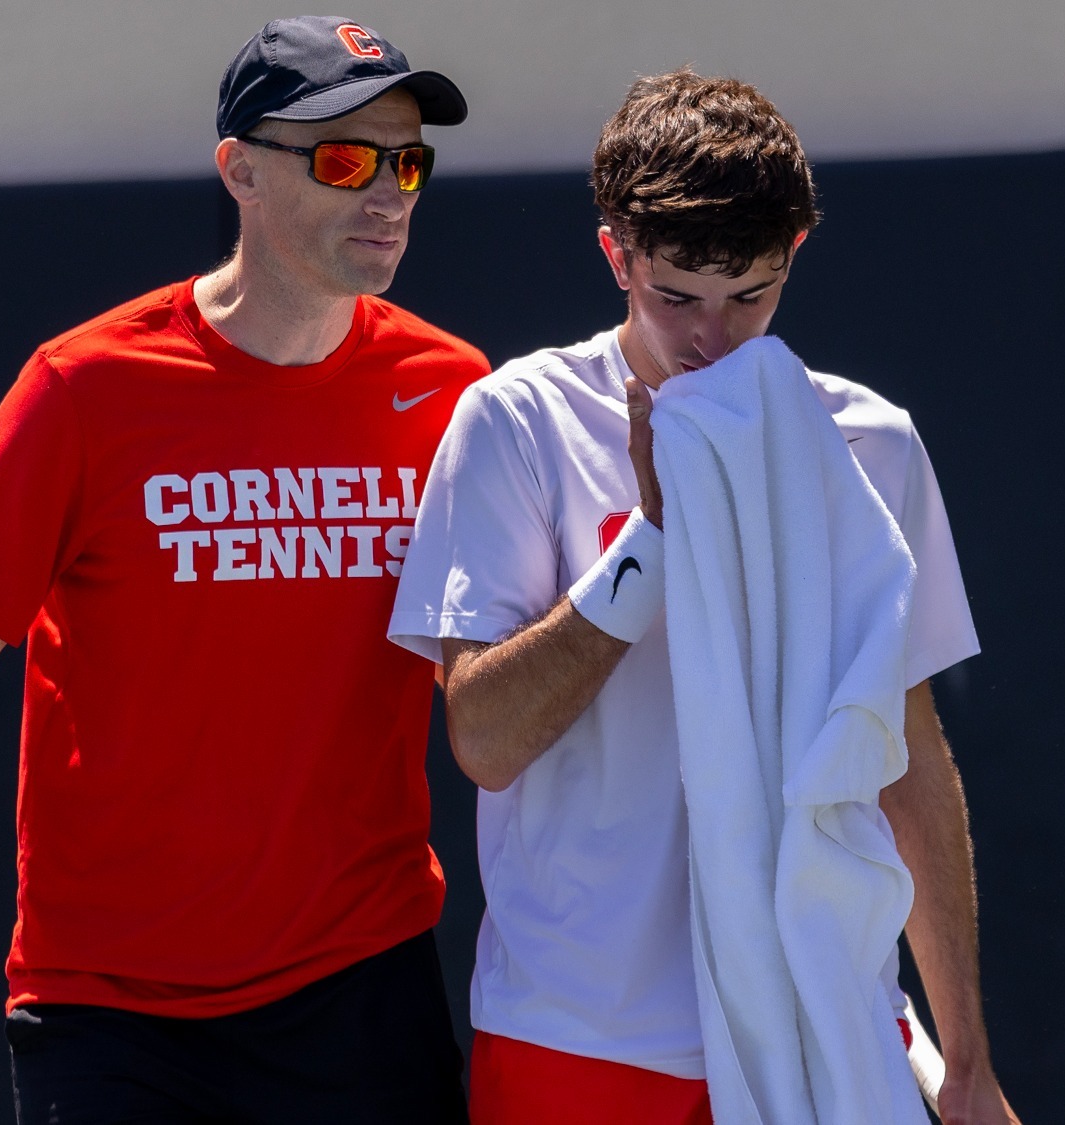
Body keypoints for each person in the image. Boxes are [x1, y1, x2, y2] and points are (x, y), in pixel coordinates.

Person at [0, 17, 488, 1123]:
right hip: (109, 1015)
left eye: (407, 160)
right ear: (240, 173)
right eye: (346, 158)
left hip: (360, 989)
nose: (388, 194)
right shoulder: (84, 387)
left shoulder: (453, 389)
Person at [390, 70, 1023, 1125]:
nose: (712, 341)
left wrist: (963, 1059)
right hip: (577, 1043)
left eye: (751, 297)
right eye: (676, 298)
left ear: (794, 259)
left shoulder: (871, 442)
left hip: (821, 1027)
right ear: (615, 256)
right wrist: (652, 537)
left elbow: (902, 748)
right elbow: (484, 740)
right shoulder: (514, 422)